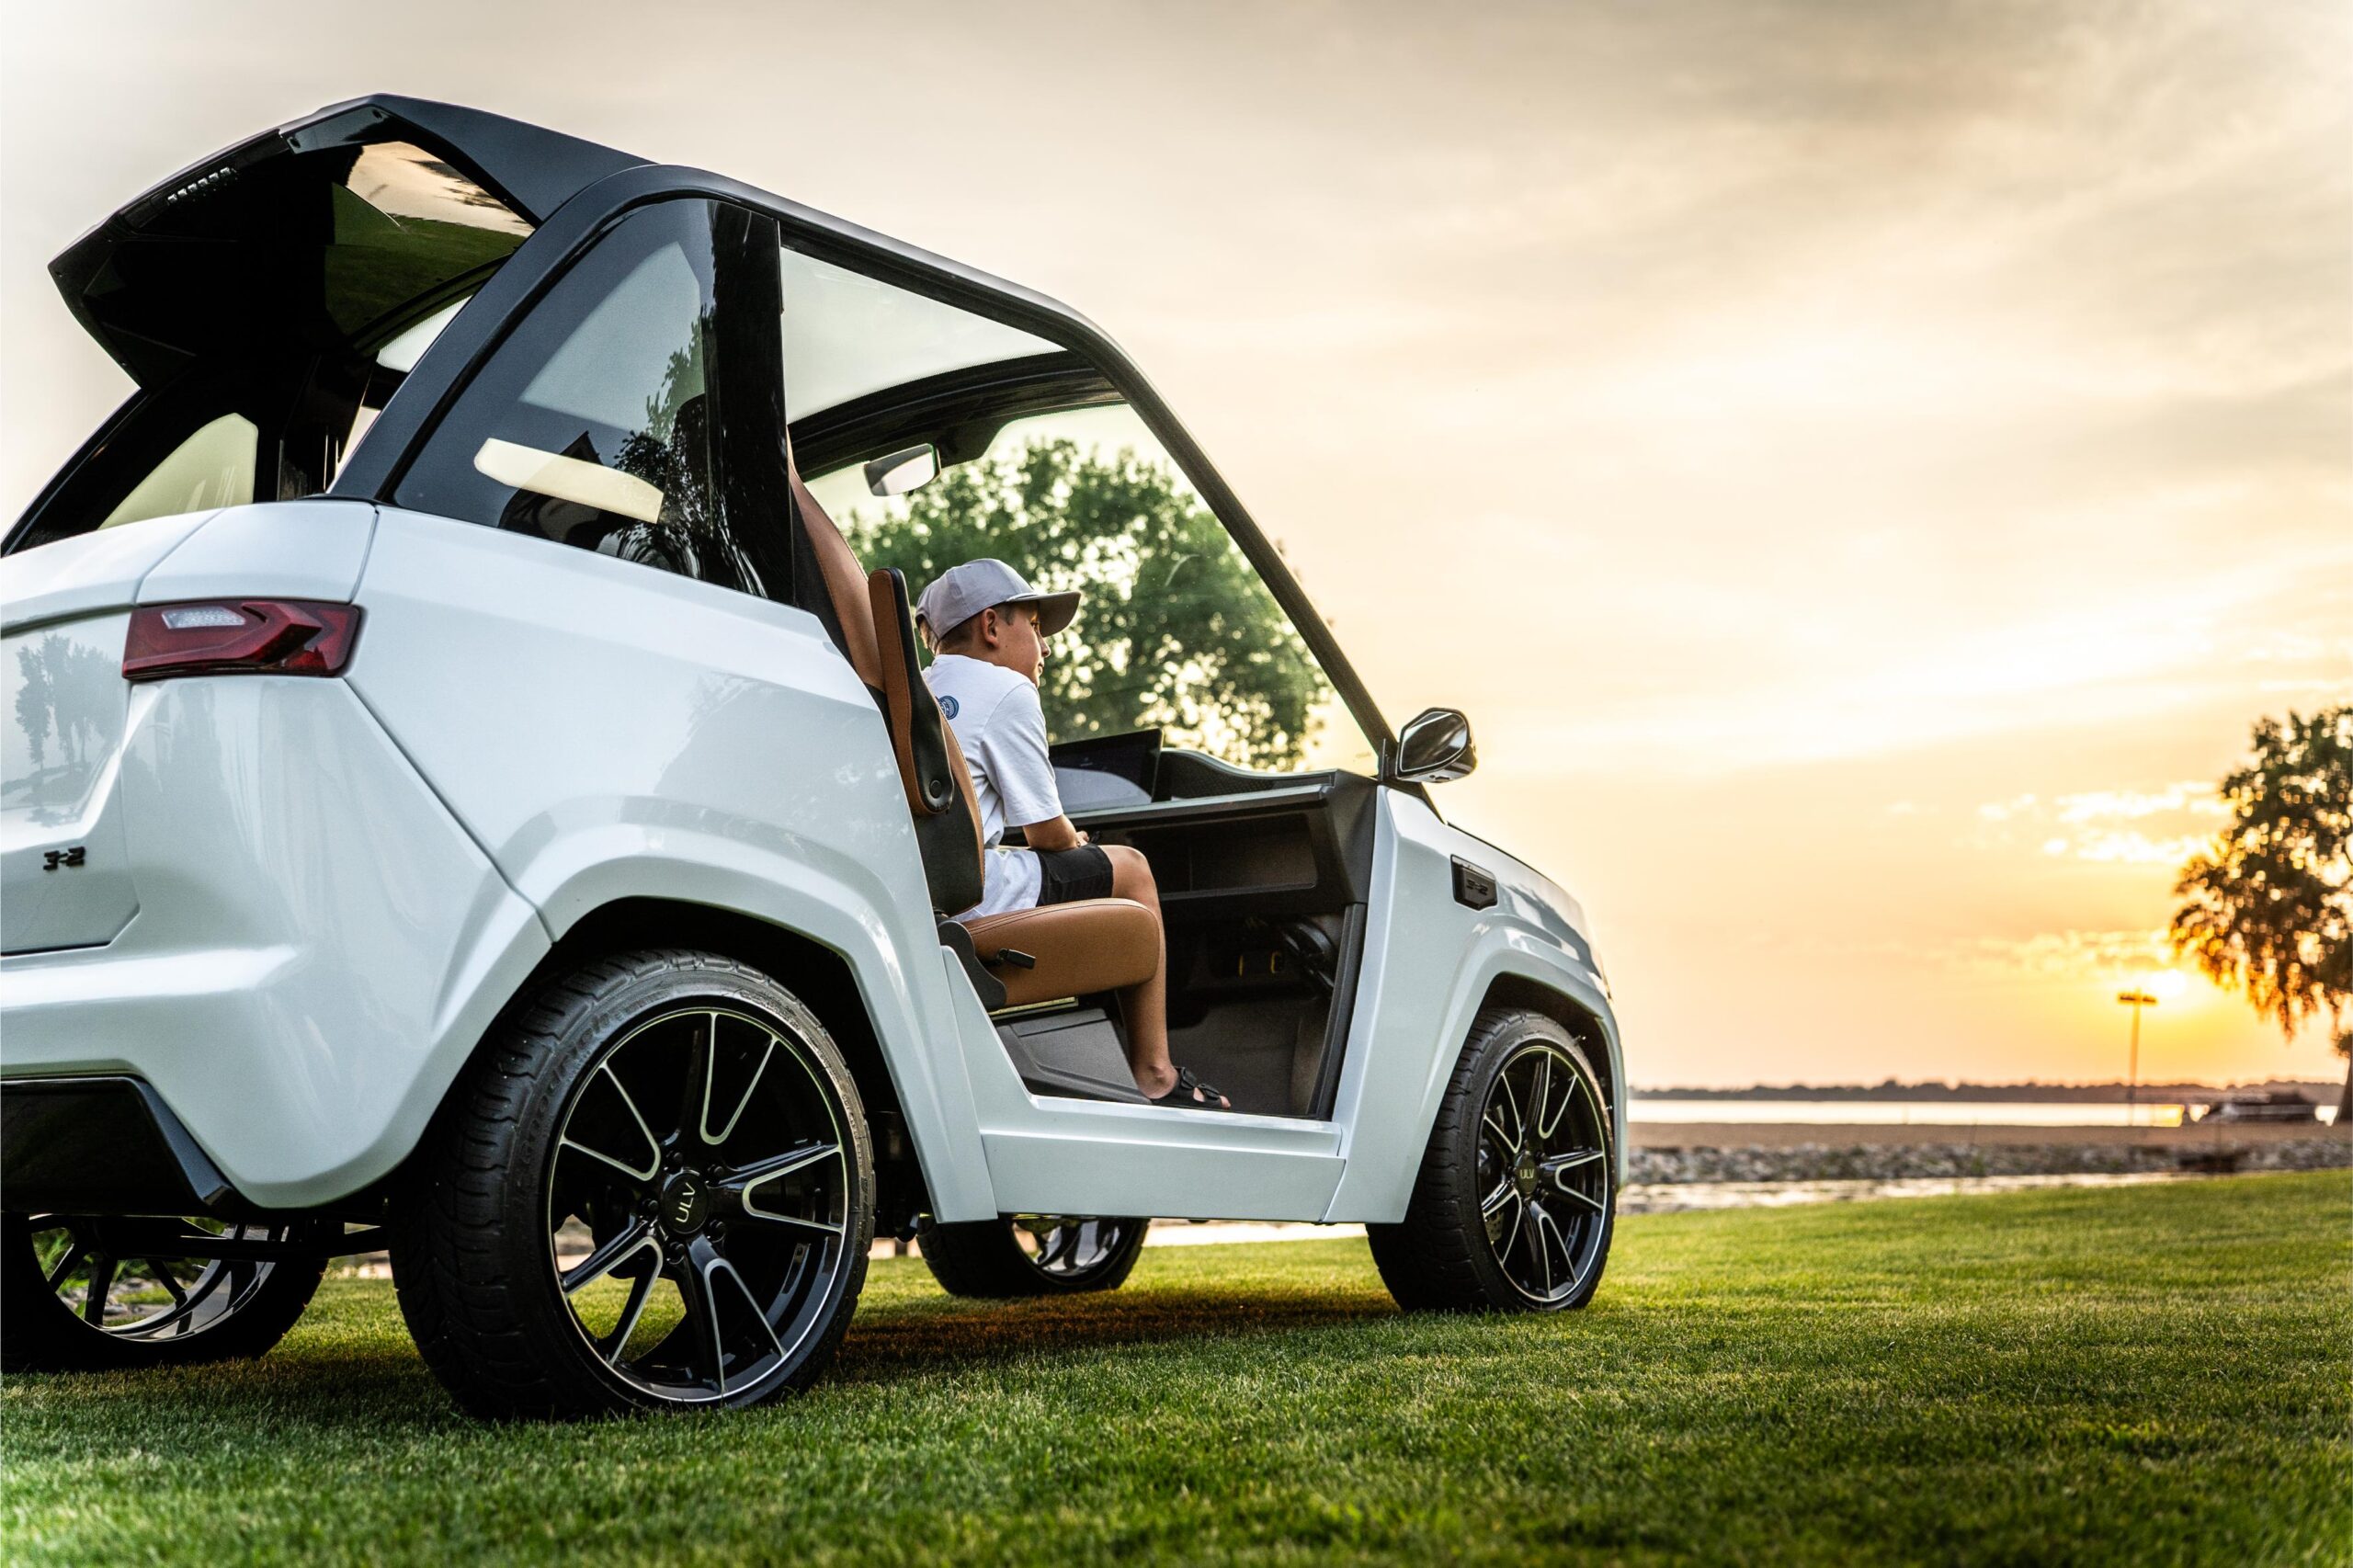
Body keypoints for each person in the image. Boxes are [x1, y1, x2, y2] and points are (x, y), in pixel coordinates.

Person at [915, 558, 1228, 1108]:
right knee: (1131, 868)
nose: (1046, 650)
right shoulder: (1007, 691)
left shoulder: (914, 691)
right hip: (967, 900)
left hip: (920, 894)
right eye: (1034, 628)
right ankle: (1155, 1071)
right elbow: (1046, 834)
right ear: (992, 626)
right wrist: (1076, 841)